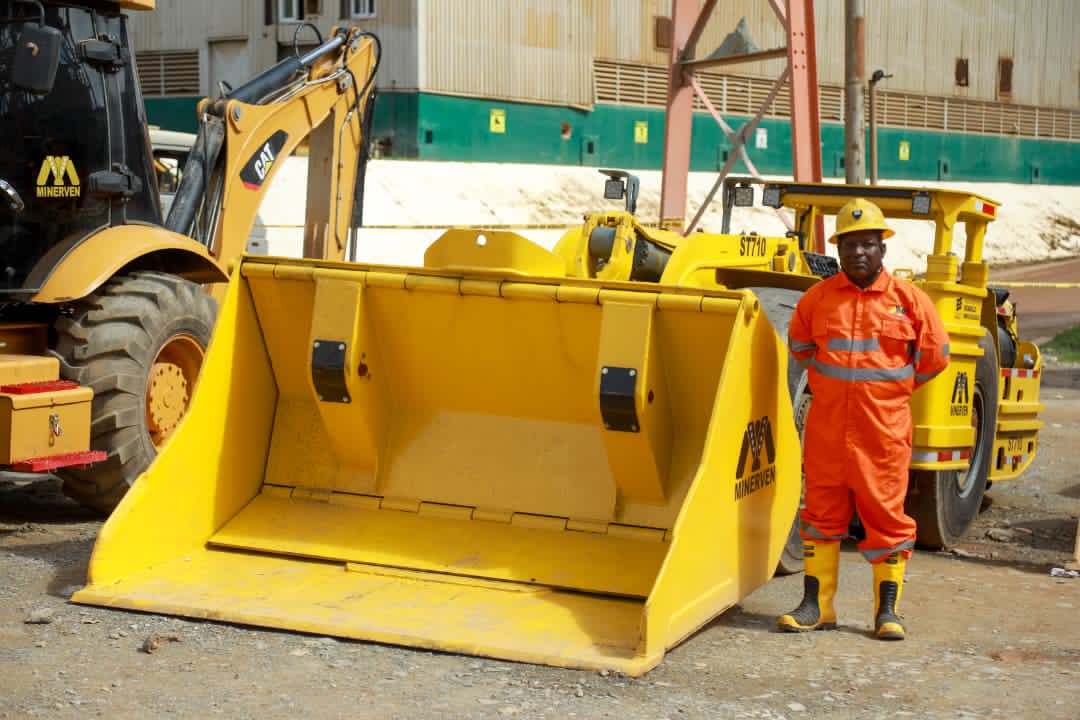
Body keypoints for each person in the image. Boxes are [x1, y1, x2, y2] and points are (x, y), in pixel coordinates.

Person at [779, 198, 950, 640]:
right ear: (838, 249)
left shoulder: (910, 301)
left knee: (887, 517)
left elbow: (934, 358)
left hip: (883, 434)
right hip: (828, 430)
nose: (858, 252)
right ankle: (817, 607)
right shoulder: (818, 299)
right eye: (850, 244)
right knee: (820, 514)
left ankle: (886, 612)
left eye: (867, 244)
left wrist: (890, 392)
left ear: (882, 248)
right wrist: (838, 387)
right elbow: (800, 347)